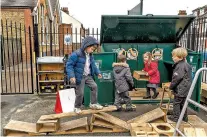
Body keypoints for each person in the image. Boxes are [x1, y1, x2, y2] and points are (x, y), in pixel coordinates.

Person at [66, 36, 103, 114]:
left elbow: (93, 65)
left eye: (93, 50)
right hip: (79, 76)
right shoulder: (76, 54)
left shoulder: (90, 55)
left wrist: (98, 72)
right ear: (86, 46)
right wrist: (72, 76)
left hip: (88, 76)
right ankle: (77, 107)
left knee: (94, 86)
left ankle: (93, 103)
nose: (92, 51)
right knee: (80, 93)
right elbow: (69, 65)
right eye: (92, 49)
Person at [168, 47, 192, 122]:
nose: (172, 57)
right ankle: (184, 118)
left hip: (180, 88)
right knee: (183, 103)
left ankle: (176, 118)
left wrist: (171, 87)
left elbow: (176, 78)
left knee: (176, 103)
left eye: (174, 56)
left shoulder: (180, 66)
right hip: (186, 88)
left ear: (180, 57)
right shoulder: (186, 64)